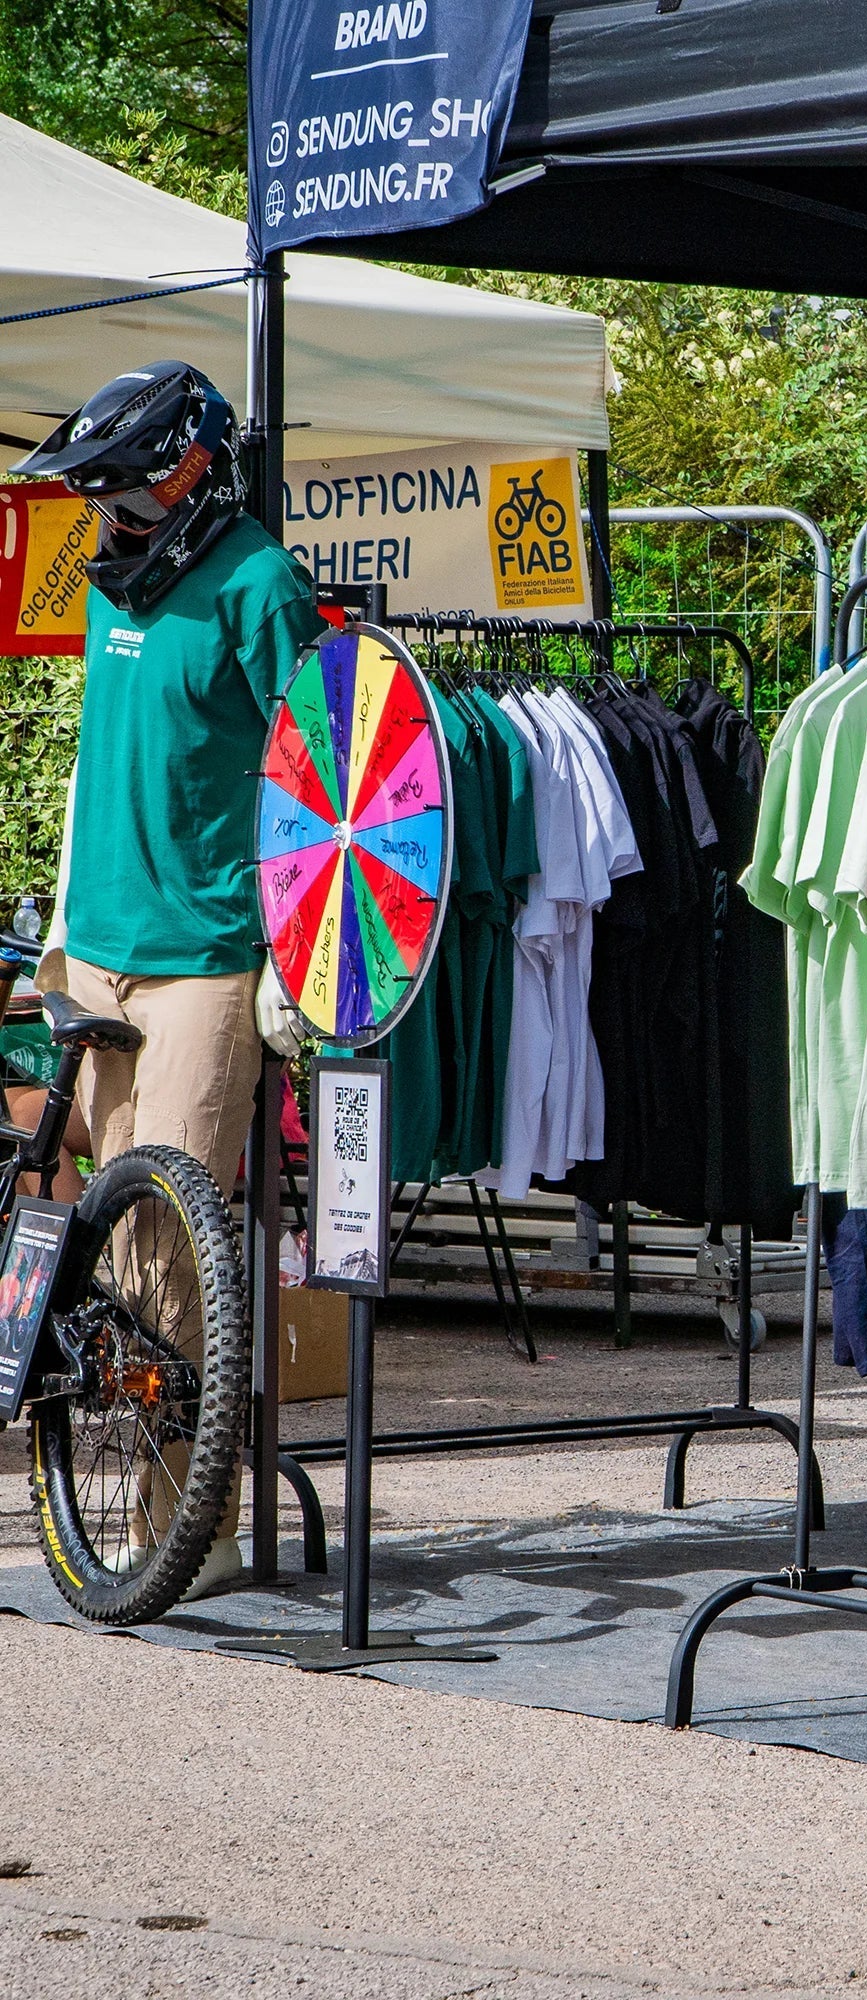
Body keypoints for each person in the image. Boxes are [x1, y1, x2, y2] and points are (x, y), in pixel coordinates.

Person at [11, 361, 319, 1598]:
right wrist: (57, 934)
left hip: (202, 957)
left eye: (122, 494)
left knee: (173, 1252)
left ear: (188, 468)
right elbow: (104, 765)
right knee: (99, 1239)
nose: (108, 518)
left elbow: (324, 773)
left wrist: (301, 958)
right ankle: (112, 1469)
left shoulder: (258, 581)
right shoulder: (111, 585)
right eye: (98, 499)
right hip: (102, 944)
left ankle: (187, 1519)